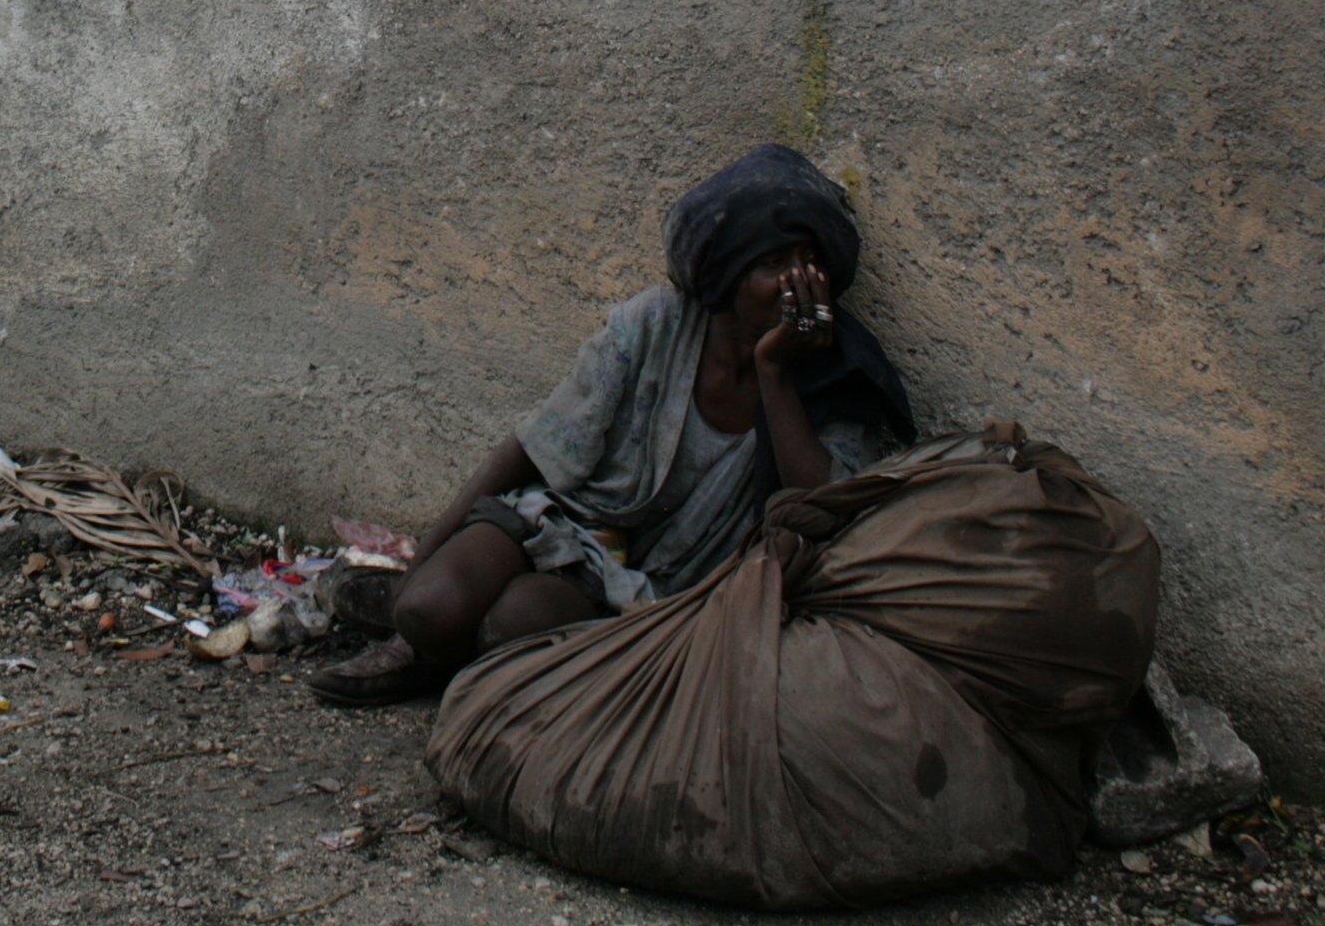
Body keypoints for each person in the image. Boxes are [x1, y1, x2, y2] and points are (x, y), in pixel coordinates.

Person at [307, 143, 916, 705]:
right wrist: (426, 556)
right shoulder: (654, 325)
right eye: (776, 262)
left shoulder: (835, 375)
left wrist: (776, 372)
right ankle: (426, 646)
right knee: (425, 609)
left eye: (811, 262)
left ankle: (477, 664)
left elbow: (821, 508)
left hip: (655, 587)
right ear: (728, 278)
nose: (797, 282)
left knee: (511, 629)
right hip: (562, 520)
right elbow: (533, 447)